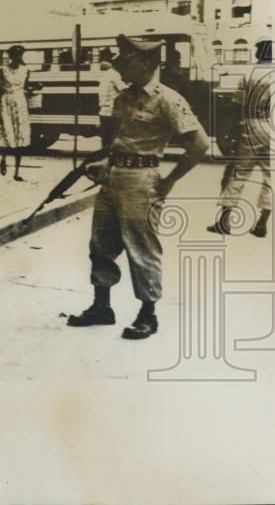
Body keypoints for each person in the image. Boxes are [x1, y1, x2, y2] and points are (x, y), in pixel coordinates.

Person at [67, 33, 209, 340]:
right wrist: (105, 165)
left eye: (125, 63)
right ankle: (101, 307)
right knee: (101, 245)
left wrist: (170, 181)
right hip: (113, 179)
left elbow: (200, 144)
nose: (118, 68)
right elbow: (118, 143)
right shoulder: (123, 97)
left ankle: (148, 315)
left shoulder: (168, 100)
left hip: (142, 183)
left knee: (141, 249)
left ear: (145, 63)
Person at [208, 38, 272, 237]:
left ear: (258, 53)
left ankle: (225, 221)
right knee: (271, 177)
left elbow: (237, 107)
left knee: (239, 172)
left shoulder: (250, 74)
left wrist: (231, 134)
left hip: (252, 125)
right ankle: (262, 223)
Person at [0, 44, 31, 180]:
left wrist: (34, 88)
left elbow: (26, 87)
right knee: (7, 131)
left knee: (20, 135)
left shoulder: (26, 70)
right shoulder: (2, 70)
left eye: (20, 55)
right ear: (10, 56)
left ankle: (17, 171)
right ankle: (3, 158)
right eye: (14, 55)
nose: (17, 57)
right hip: (6, 101)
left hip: (21, 103)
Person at [96, 47, 125, 149]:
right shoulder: (115, 75)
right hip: (112, 112)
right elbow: (124, 90)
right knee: (114, 141)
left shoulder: (106, 74)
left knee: (106, 141)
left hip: (104, 112)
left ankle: (105, 158)